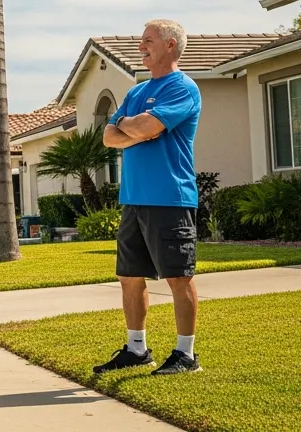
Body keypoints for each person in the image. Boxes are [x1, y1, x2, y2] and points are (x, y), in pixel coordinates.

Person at [94, 19, 203, 377]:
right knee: (130, 276)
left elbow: (143, 127)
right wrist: (136, 128)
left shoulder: (183, 88)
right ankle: (136, 349)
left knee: (178, 277)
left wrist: (136, 127)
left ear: (170, 45)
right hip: (134, 198)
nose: (142, 46)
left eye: (148, 40)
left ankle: (186, 355)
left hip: (170, 198)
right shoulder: (137, 92)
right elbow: (109, 136)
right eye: (141, 41)